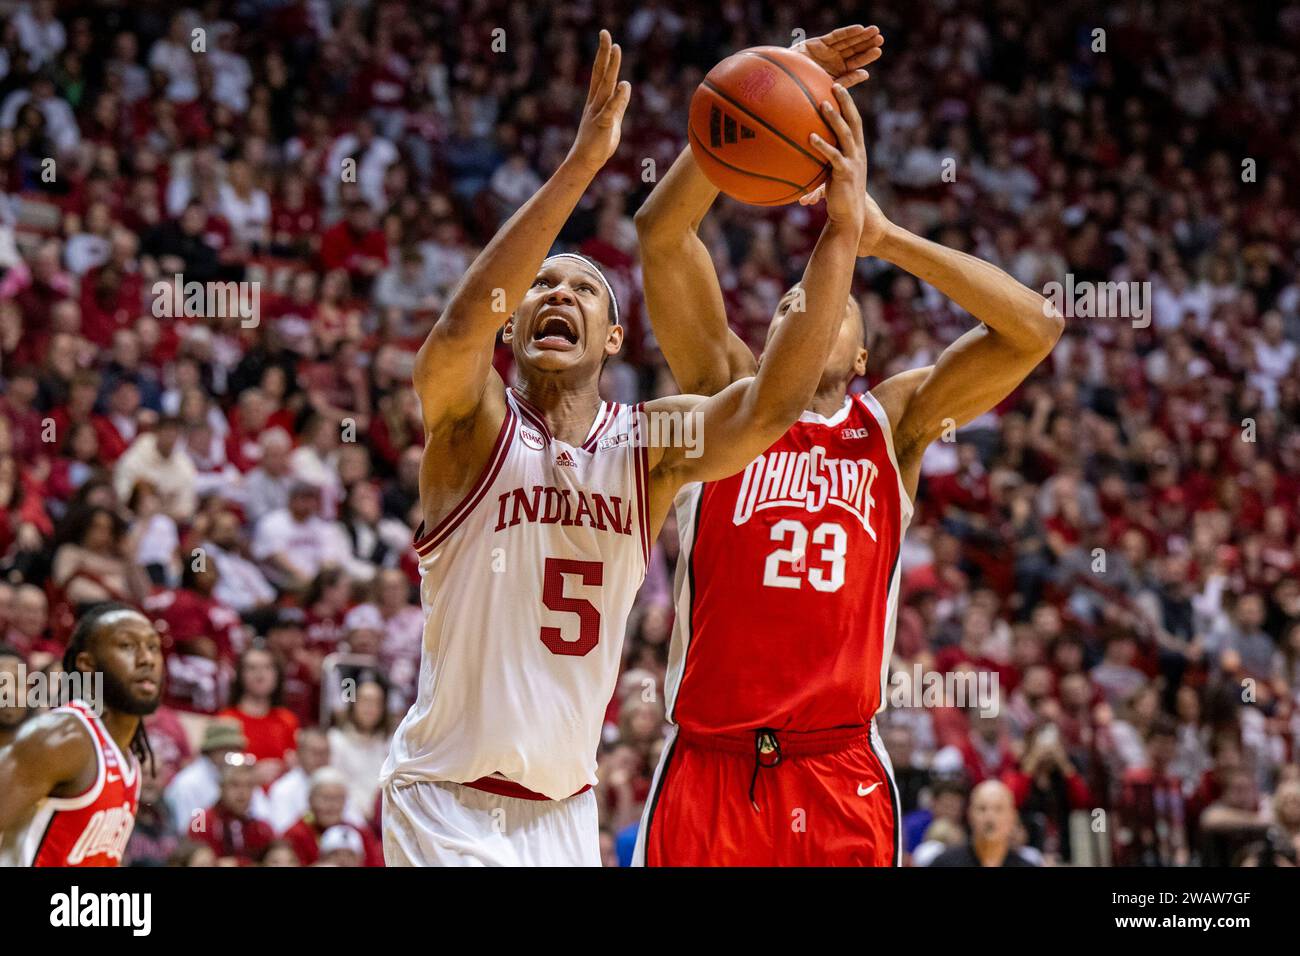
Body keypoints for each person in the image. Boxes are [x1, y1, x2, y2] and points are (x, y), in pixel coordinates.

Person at [381, 29, 869, 866]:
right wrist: (582, 164)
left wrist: (841, 231)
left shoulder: (650, 446)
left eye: (583, 288)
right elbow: (460, 331)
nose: (558, 293)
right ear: (518, 325)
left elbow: (772, 404)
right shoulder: (475, 429)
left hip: (566, 814)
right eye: (542, 287)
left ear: (613, 340)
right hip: (446, 806)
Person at [632, 25, 1062, 866]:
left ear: (862, 354)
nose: (805, 301)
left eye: (826, 296)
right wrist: (758, 98)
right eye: (791, 299)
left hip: (838, 771)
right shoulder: (727, 398)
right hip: (709, 765)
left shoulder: (890, 424)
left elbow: (1035, 327)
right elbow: (660, 234)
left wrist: (885, 238)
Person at [0, 602, 162, 866]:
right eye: (127, 646)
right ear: (86, 664)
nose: (147, 658)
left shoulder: (129, 759)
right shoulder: (61, 738)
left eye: (153, 646)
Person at [927, 780, 1039, 867]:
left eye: (998, 809)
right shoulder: (944, 863)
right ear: (969, 815)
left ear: (1012, 817)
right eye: (982, 809)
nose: (990, 818)